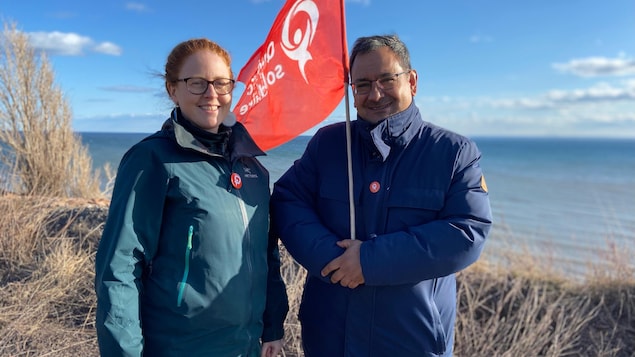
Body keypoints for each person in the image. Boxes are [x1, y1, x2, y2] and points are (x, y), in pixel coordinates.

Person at [270, 34, 492, 357]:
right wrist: (334, 260)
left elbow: (468, 231)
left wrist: (369, 261)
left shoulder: (453, 153)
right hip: (329, 337)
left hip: (412, 342)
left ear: (412, 81)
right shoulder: (328, 145)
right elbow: (288, 200)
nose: (375, 94)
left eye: (387, 80)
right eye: (362, 84)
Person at [95, 38, 289, 357]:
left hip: (244, 346)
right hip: (179, 346)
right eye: (197, 83)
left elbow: (266, 255)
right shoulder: (152, 159)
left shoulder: (253, 168)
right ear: (173, 89)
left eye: (221, 83)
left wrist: (272, 328)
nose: (212, 94)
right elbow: (119, 267)